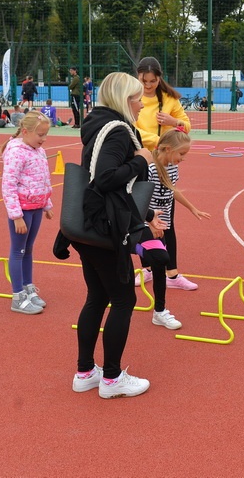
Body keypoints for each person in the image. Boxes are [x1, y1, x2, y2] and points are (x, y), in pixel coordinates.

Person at [71, 72, 153, 398]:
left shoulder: (97, 127)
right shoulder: (119, 133)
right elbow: (106, 179)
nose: (141, 103)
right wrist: (140, 160)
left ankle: (86, 372)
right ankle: (111, 379)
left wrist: (145, 215)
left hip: (87, 226)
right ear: (124, 100)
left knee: (97, 297)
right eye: (137, 98)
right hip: (106, 229)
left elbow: (103, 187)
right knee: (123, 298)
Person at [137, 129, 210, 328]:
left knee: (162, 260)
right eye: (182, 154)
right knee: (158, 258)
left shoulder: (172, 168)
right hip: (148, 223)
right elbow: (139, 200)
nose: (183, 158)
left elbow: (172, 190)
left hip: (163, 221)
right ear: (168, 149)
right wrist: (150, 222)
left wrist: (192, 208)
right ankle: (147, 275)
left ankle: (159, 310)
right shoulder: (149, 169)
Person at [0, 111, 54, 315]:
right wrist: (16, 216)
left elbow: (42, 179)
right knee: (18, 250)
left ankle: (28, 287)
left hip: (36, 207)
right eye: (40, 135)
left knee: (29, 249)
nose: (43, 139)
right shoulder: (16, 152)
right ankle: (18, 296)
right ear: (25, 132)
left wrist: (46, 204)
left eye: (45, 134)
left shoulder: (38, 150)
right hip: (22, 210)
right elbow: (8, 185)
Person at [134, 56, 191, 150]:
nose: (148, 85)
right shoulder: (131, 98)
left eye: (153, 81)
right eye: (144, 81)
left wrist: (174, 122)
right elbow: (132, 130)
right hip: (139, 153)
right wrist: (159, 141)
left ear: (159, 78)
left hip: (164, 154)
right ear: (138, 76)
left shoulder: (170, 98)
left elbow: (187, 126)